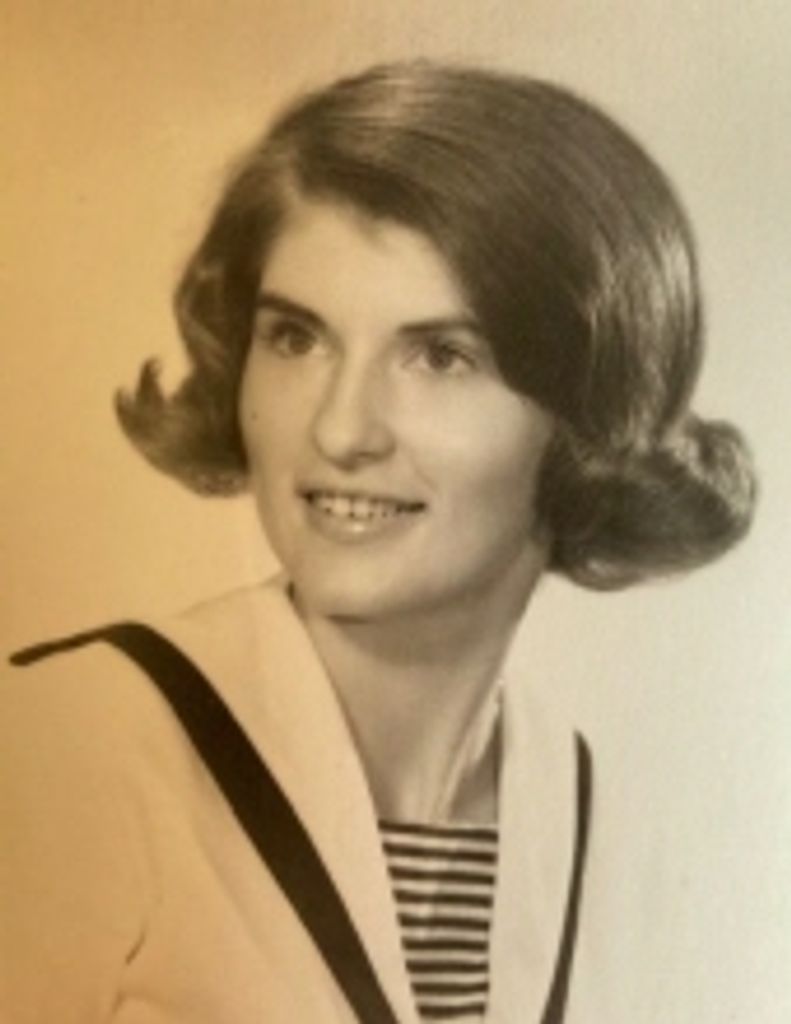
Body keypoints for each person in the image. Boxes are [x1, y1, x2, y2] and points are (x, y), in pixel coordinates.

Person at [0, 62, 756, 1024]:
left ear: (590, 416)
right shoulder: (70, 750)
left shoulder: (601, 827)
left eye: (440, 356)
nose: (341, 429)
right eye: (296, 338)